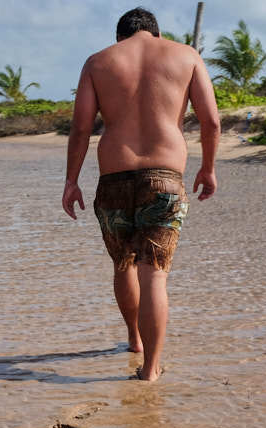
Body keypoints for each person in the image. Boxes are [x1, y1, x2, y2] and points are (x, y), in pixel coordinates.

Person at [62, 7, 221, 381]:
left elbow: (82, 128)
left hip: (113, 178)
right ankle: (150, 368)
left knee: (124, 265)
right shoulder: (186, 55)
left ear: (121, 37)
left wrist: (71, 181)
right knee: (155, 275)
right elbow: (211, 121)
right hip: (165, 177)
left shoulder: (99, 62)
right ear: (155, 32)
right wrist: (208, 168)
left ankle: (134, 338)